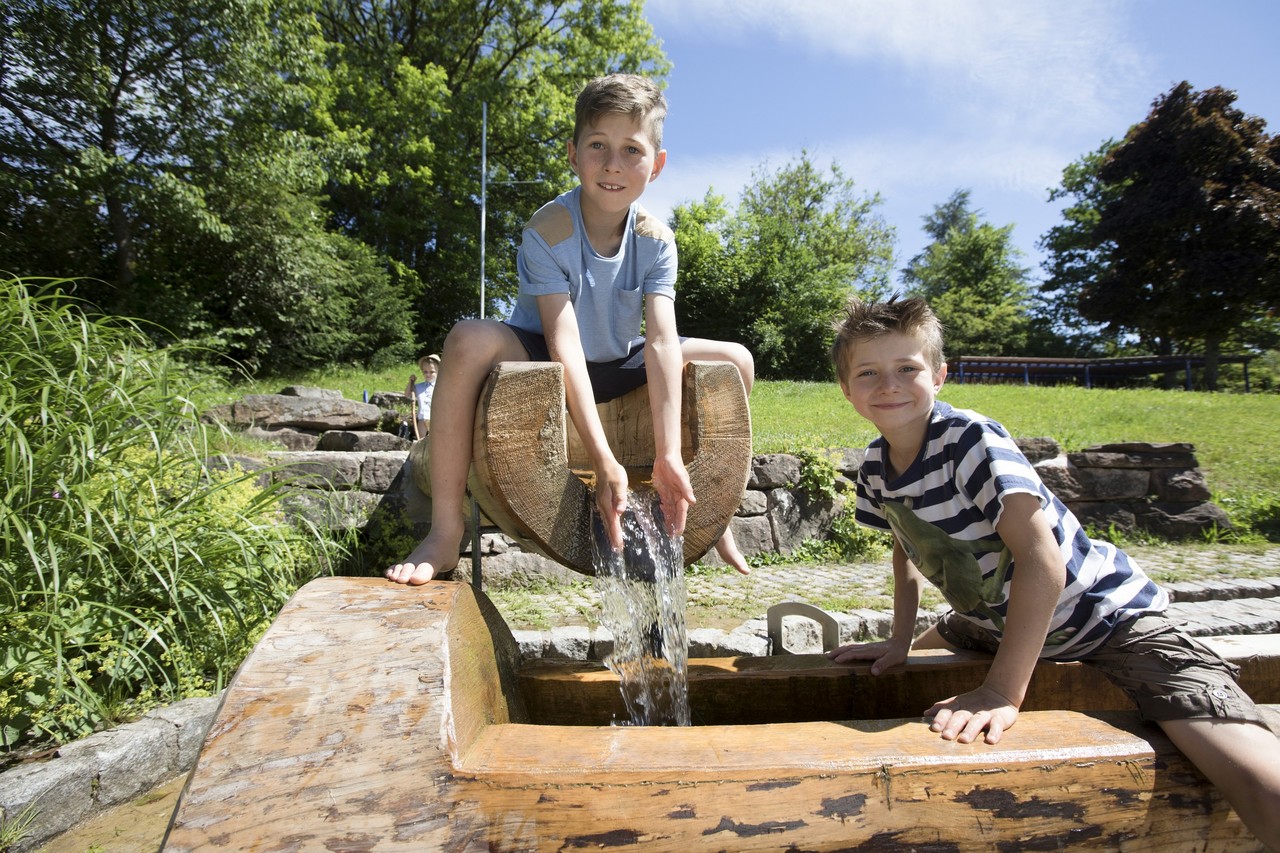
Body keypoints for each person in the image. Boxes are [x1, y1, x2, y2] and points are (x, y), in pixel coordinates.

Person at [823, 295, 1280, 848]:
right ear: (846, 389)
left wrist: (1001, 692)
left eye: (906, 368)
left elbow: (1044, 561)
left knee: (1255, 777)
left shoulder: (970, 440)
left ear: (939, 376)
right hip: (989, 621)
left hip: (1106, 617)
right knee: (902, 677)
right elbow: (906, 548)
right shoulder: (875, 465)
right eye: (868, 373)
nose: (888, 385)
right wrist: (899, 642)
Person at [387, 72, 753, 586]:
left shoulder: (656, 240)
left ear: (657, 165)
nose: (612, 164)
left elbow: (661, 341)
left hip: (620, 358)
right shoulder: (548, 229)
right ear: (573, 154)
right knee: (466, 339)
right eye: (598, 145)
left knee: (737, 358)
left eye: (631, 150)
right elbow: (563, 341)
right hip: (542, 352)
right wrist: (603, 459)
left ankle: (714, 511)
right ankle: (445, 530)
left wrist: (669, 454)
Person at [404, 353, 440, 440]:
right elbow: (407, 394)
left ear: (439, 371)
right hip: (422, 419)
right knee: (421, 440)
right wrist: (411, 382)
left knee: (435, 440)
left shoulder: (441, 386)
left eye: (432, 372)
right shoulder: (419, 387)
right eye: (425, 372)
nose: (428, 374)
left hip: (436, 419)